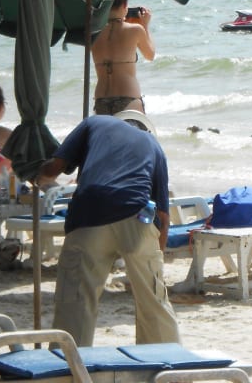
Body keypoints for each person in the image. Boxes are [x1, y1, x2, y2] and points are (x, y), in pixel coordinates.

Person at [36, 114, 179, 347]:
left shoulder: (95, 123)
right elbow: (163, 216)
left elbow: (55, 168)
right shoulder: (154, 146)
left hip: (89, 214)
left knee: (76, 301)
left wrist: (37, 174)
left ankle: (69, 367)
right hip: (136, 218)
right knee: (153, 300)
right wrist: (156, 261)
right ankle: (164, 365)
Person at [92, 0, 155, 115]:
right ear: (125, 5)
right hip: (128, 97)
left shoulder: (93, 32)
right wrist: (145, 27)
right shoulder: (135, 30)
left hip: (101, 99)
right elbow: (150, 55)